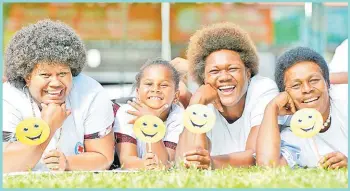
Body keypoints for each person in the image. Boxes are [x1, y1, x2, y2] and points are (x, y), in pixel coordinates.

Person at [3, 20, 115, 173]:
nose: (55, 83)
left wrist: (68, 163)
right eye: (45, 75)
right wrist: (47, 127)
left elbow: (104, 158)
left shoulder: (91, 92)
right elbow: (6, 165)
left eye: (62, 73)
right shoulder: (8, 97)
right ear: (27, 77)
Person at [174, 22, 280, 169]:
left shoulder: (263, 89)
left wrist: (212, 163)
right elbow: (184, 160)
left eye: (232, 68)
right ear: (204, 79)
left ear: (248, 73)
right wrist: (196, 103)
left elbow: (256, 155)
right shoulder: (203, 101)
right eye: (214, 71)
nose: (224, 77)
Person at [256, 47, 348, 169]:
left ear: (327, 83)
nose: (307, 89)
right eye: (296, 85)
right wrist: (271, 109)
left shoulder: (344, 103)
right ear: (285, 94)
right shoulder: (292, 134)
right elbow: (268, 166)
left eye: (314, 80)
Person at [114, 58, 184, 170]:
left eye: (164, 85)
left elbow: (164, 163)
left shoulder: (178, 116)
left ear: (176, 96)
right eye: (149, 84)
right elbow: (126, 160)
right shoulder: (127, 112)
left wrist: (150, 120)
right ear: (137, 92)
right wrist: (144, 165)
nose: (155, 89)